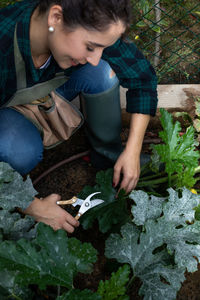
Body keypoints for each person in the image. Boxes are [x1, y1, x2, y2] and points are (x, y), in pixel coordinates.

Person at [0, 0, 158, 233]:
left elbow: (142, 78)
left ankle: (109, 157)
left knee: (103, 73)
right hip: (9, 110)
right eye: (91, 47)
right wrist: (29, 204)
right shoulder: (4, 41)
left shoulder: (91, 24)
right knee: (19, 152)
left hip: (43, 88)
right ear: (55, 18)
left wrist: (132, 150)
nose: (96, 58)